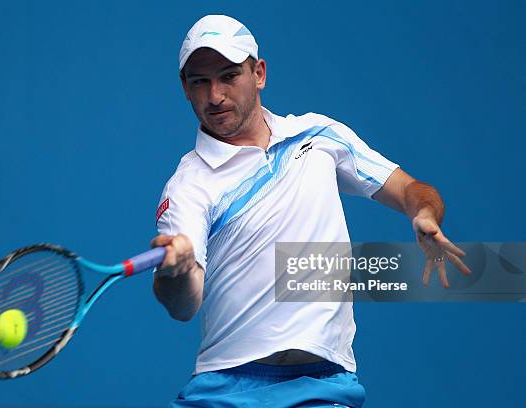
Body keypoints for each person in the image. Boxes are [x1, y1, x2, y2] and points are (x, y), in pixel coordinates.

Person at [151, 14, 470, 408]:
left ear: (259, 73)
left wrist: (423, 213)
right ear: (185, 88)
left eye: (229, 76)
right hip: (225, 389)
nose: (215, 95)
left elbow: (411, 189)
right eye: (200, 81)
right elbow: (184, 304)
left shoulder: (318, 136)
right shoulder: (188, 185)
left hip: (324, 385)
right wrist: (176, 272)